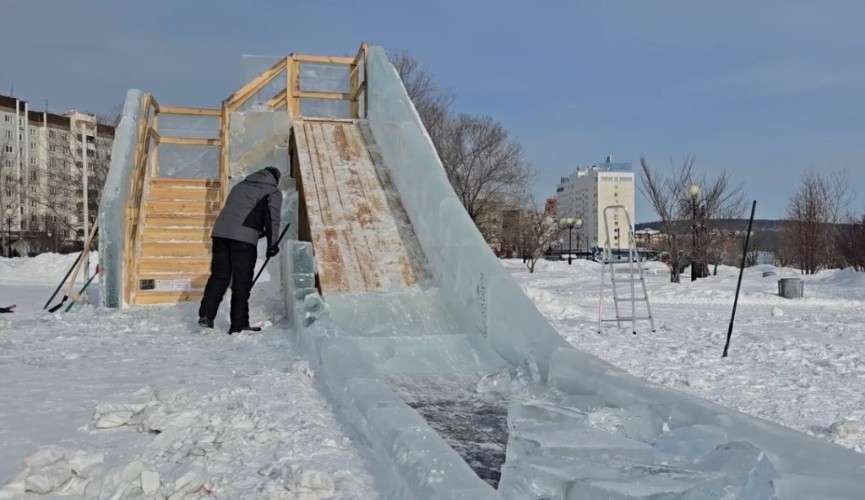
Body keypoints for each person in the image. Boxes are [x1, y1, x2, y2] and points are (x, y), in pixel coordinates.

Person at [198, 166, 282, 334]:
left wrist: (259, 233)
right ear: (275, 179)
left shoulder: (240, 186)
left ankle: (206, 317)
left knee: (219, 276)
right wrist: (272, 245)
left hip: (220, 234)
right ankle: (238, 324)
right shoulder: (272, 191)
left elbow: (241, 214)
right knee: (241, 281)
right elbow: (272, 218)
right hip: (242, 241)